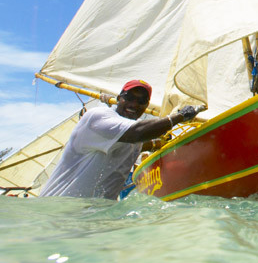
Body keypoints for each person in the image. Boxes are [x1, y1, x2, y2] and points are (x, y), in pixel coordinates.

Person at [40, 80, 203, 199]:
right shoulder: (98, 116)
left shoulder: (129, 135)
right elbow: (136, 133)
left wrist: (157, 144)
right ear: (119, 98)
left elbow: (134, 143)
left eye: (141, 101)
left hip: (94, 217)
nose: (134, 104)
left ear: (146, 106)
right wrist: (179, 116)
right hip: (57, 212)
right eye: (129, 97)